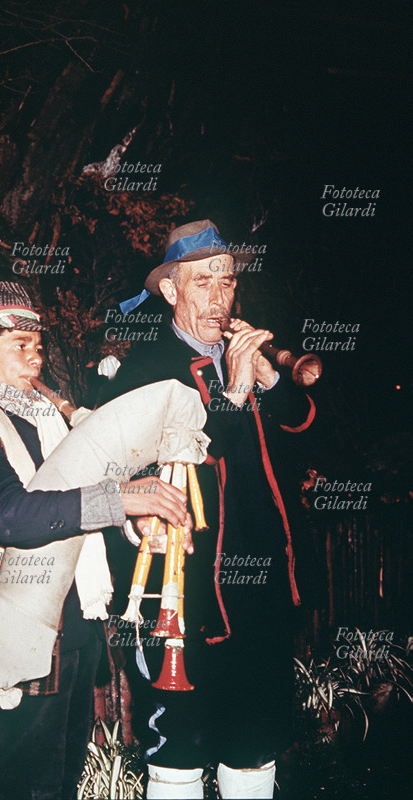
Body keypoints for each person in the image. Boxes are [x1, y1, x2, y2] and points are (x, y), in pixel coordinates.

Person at [0, 281, 188, 800]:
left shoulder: (47, 419)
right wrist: (120, 499)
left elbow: (76, 510)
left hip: (75, 627)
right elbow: (9, 517)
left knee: (63, 780)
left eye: (37, 346)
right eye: (18, 347)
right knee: (30, 786)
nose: (35, 359)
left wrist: (135, 524)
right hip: (20, 628)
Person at [100, 220, 316, 799]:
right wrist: (233, 391)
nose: (219, 299)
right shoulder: (145, 369)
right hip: (187, 594)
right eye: (203, 284)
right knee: (180, 747)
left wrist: (270, 380)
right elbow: (179, 459)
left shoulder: (248, 359)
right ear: (171, 291)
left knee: (253, 744)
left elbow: (312, 442)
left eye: (227, 284)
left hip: (262, 591)